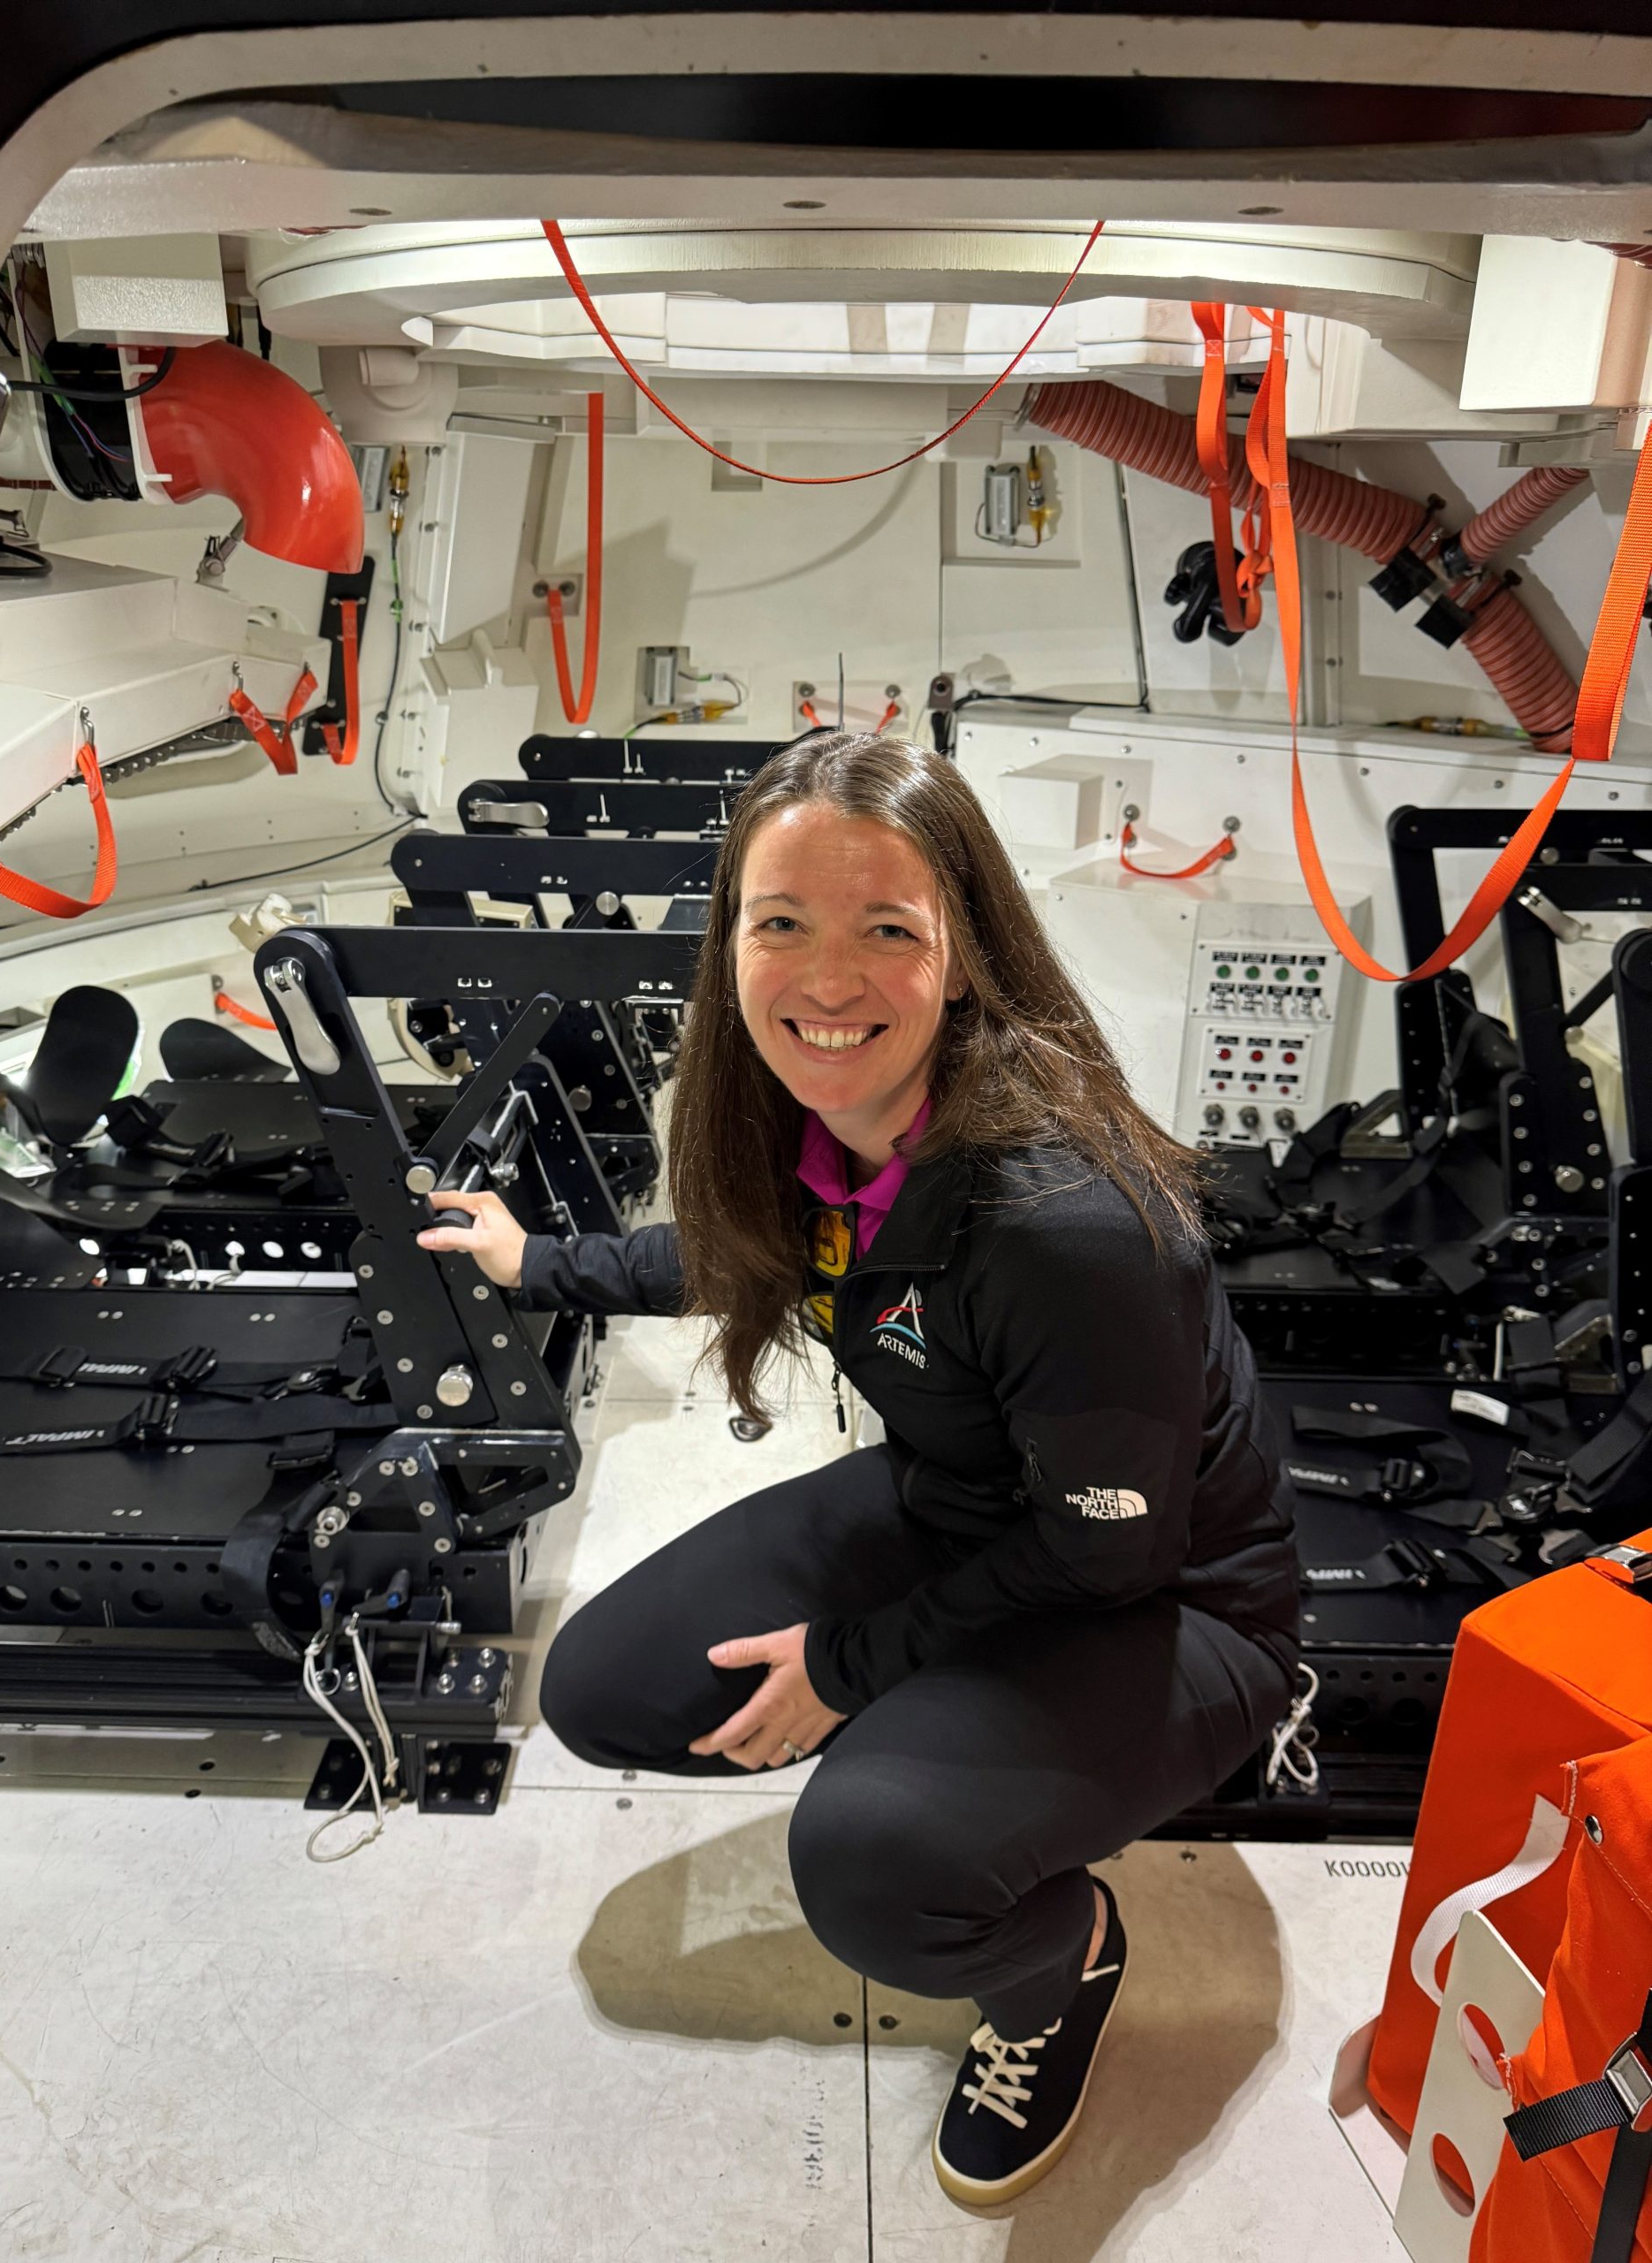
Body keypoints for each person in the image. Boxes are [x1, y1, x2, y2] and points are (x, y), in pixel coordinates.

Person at [417, 731, 1302, 2208]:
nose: (828, 982)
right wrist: (536, 1259)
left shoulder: (1063, 1221)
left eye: (886, 930)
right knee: (606, 1689)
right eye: (783, 926)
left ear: (961, 957)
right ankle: (961, 1767)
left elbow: (1111, 1558)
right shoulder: (813, 1113)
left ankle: (1057, 1957)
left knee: (871, 1865)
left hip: (1173, 1602)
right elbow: (754, 1250)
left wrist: (856, 1661)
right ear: (733, 943)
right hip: (970, 1508)